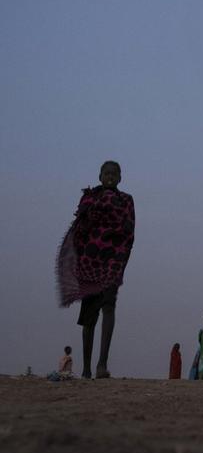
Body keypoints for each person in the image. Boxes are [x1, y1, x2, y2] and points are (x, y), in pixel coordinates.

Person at [56, 161, 135, 379]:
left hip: (112, 262)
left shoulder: (126, 200)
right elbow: (80, 229)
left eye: (114, 174)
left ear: (120, 178)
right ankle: (87, 368)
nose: (110, 177)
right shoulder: (89, 198)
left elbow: (129, 231)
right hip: (90, 264)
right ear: (100, 176)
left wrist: (120, 259)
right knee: (89, 318)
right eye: (106, 173)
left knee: (109, 306)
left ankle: (102, 364)